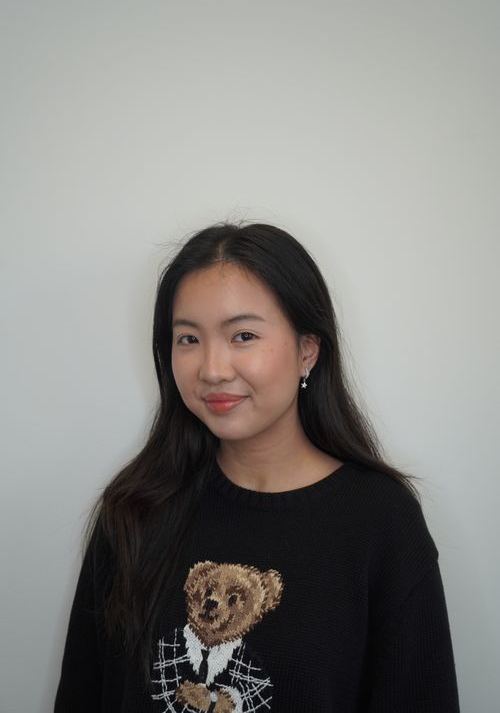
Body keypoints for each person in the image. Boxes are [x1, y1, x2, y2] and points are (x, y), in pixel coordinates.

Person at [54, 219, 461, 712]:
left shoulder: (381, 522)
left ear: (307, 350)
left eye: (243, 335)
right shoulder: (135, 508)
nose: (212, 369)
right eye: (188, 339)